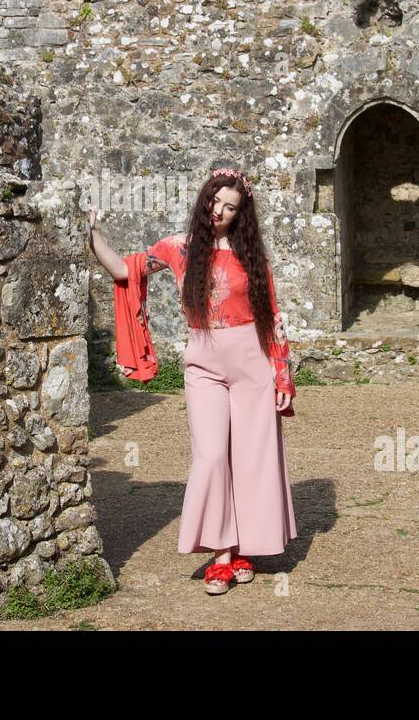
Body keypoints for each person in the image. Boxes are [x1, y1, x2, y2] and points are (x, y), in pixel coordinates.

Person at [88, 166, 299, 595]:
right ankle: (220, 554)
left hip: (252, 363)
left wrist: (282, 373)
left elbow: (271, 315)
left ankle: (241, 550)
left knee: (251, 459)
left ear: (241, 214)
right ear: (204, 199)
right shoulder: (178, 248)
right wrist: (93, 236)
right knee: (210, 456)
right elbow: (126, 272)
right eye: (215, 202)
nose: (219, 212)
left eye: (230, 207)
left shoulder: (251, 256)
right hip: (203, 362)